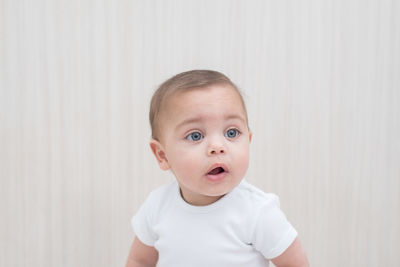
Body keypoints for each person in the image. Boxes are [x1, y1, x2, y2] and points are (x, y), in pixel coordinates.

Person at [125, 70, 309, 267]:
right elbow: (140, 261)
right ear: (162, 155)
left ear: (248, 140)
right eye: (195, 135)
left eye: (231, 132)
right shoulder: (157, 207)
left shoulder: (258, 212)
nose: (217, 146)